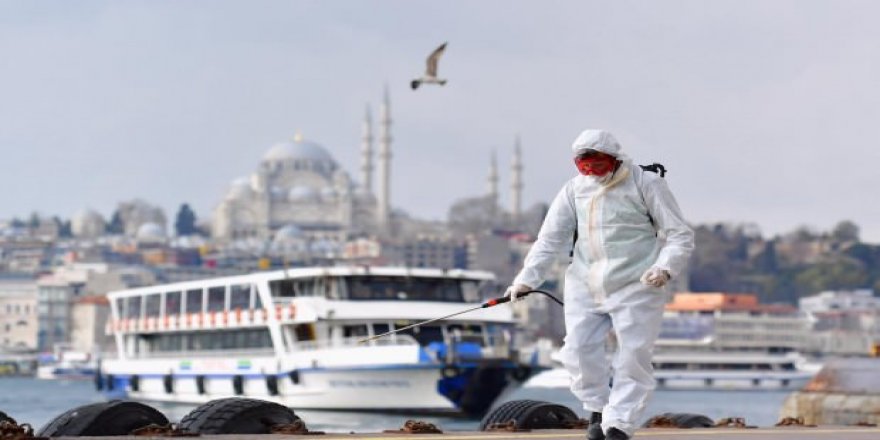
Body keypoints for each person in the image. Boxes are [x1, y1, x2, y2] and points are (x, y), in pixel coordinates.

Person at [505, 129, 694, 440]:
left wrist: (665, 268)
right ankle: (596, 407)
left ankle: (619, 423)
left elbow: (680, 235)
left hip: (638, 283)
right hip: (584, 282)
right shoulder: (574, 190)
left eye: (597, 164)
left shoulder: (646, 183)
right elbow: (549, 239)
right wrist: (526, 279)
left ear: (614, 159)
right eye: (584, 166)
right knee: (576, 351)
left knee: (633, 356)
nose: (591, 172)